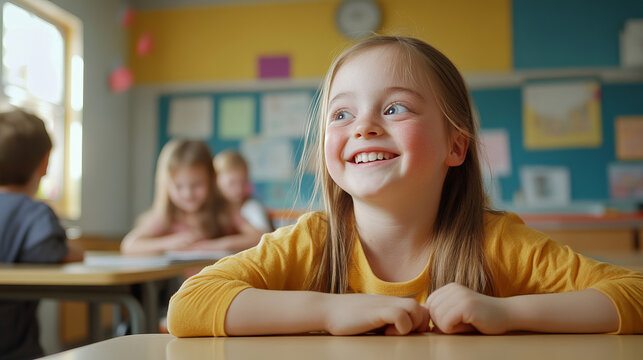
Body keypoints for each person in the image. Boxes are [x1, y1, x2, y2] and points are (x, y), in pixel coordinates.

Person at [167, 36, 643, 337]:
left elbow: (634, 293)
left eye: (394, 108)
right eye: (342, 114)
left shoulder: (495, 243)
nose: (364, 127)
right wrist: (329, 312)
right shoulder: (312, 242)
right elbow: (190, 305)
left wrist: (509, 313)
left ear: (455, 147)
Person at [0, 109, 83, 359]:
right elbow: (52, 251)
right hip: (15, 348)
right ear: (45, 163)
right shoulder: (36, 214)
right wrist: (76, 250)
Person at [121, 140, 263, 255]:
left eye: (196, 185)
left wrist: (213, 246)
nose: (188, 194)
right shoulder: (166, 216)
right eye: (178, 186)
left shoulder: (224, 209)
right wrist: (168, 243)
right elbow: (129, 245)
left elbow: (259, 237)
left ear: (211, 179)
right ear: (166, 186)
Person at [214, 150, 273, 234]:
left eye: (243, 182)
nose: (239, 189)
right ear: (215, 181)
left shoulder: (252, 206)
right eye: (232, 183)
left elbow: (265, 237)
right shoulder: (211, 209)